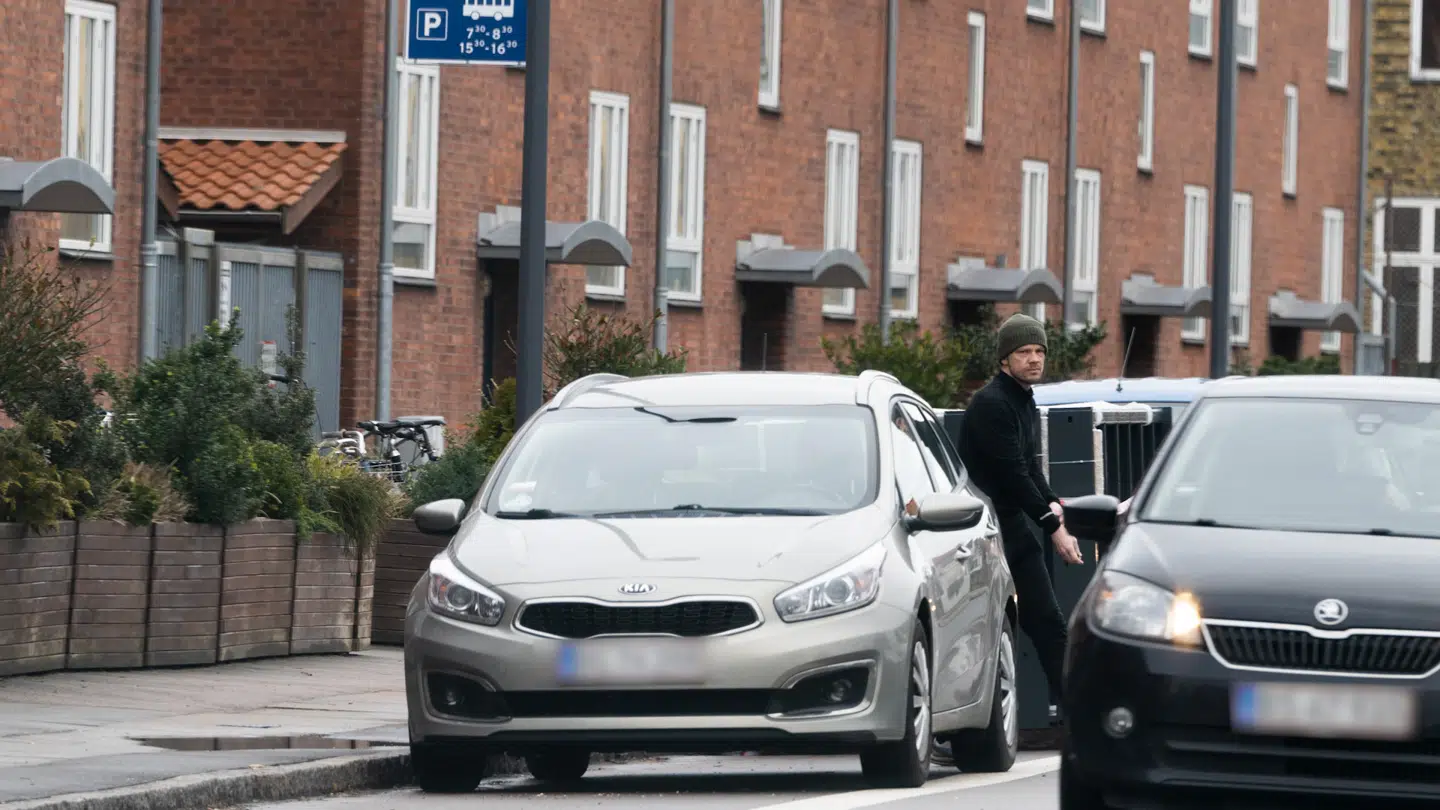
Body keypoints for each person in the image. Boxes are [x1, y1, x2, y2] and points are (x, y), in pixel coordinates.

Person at [949, 313, 1081, 752]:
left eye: (1040, 351)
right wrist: (1053, 528)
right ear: (1005, 359)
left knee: (1049, 624)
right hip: (986, 532)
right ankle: (962, 728)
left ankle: (1077, 723)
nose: (1034, 359)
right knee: (982, 629)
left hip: (1013, 528)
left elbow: (1031, 469)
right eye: (1024, 352)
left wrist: (1056, 506)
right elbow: (1010, 476)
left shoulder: (1025, 400)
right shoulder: (992, 405)